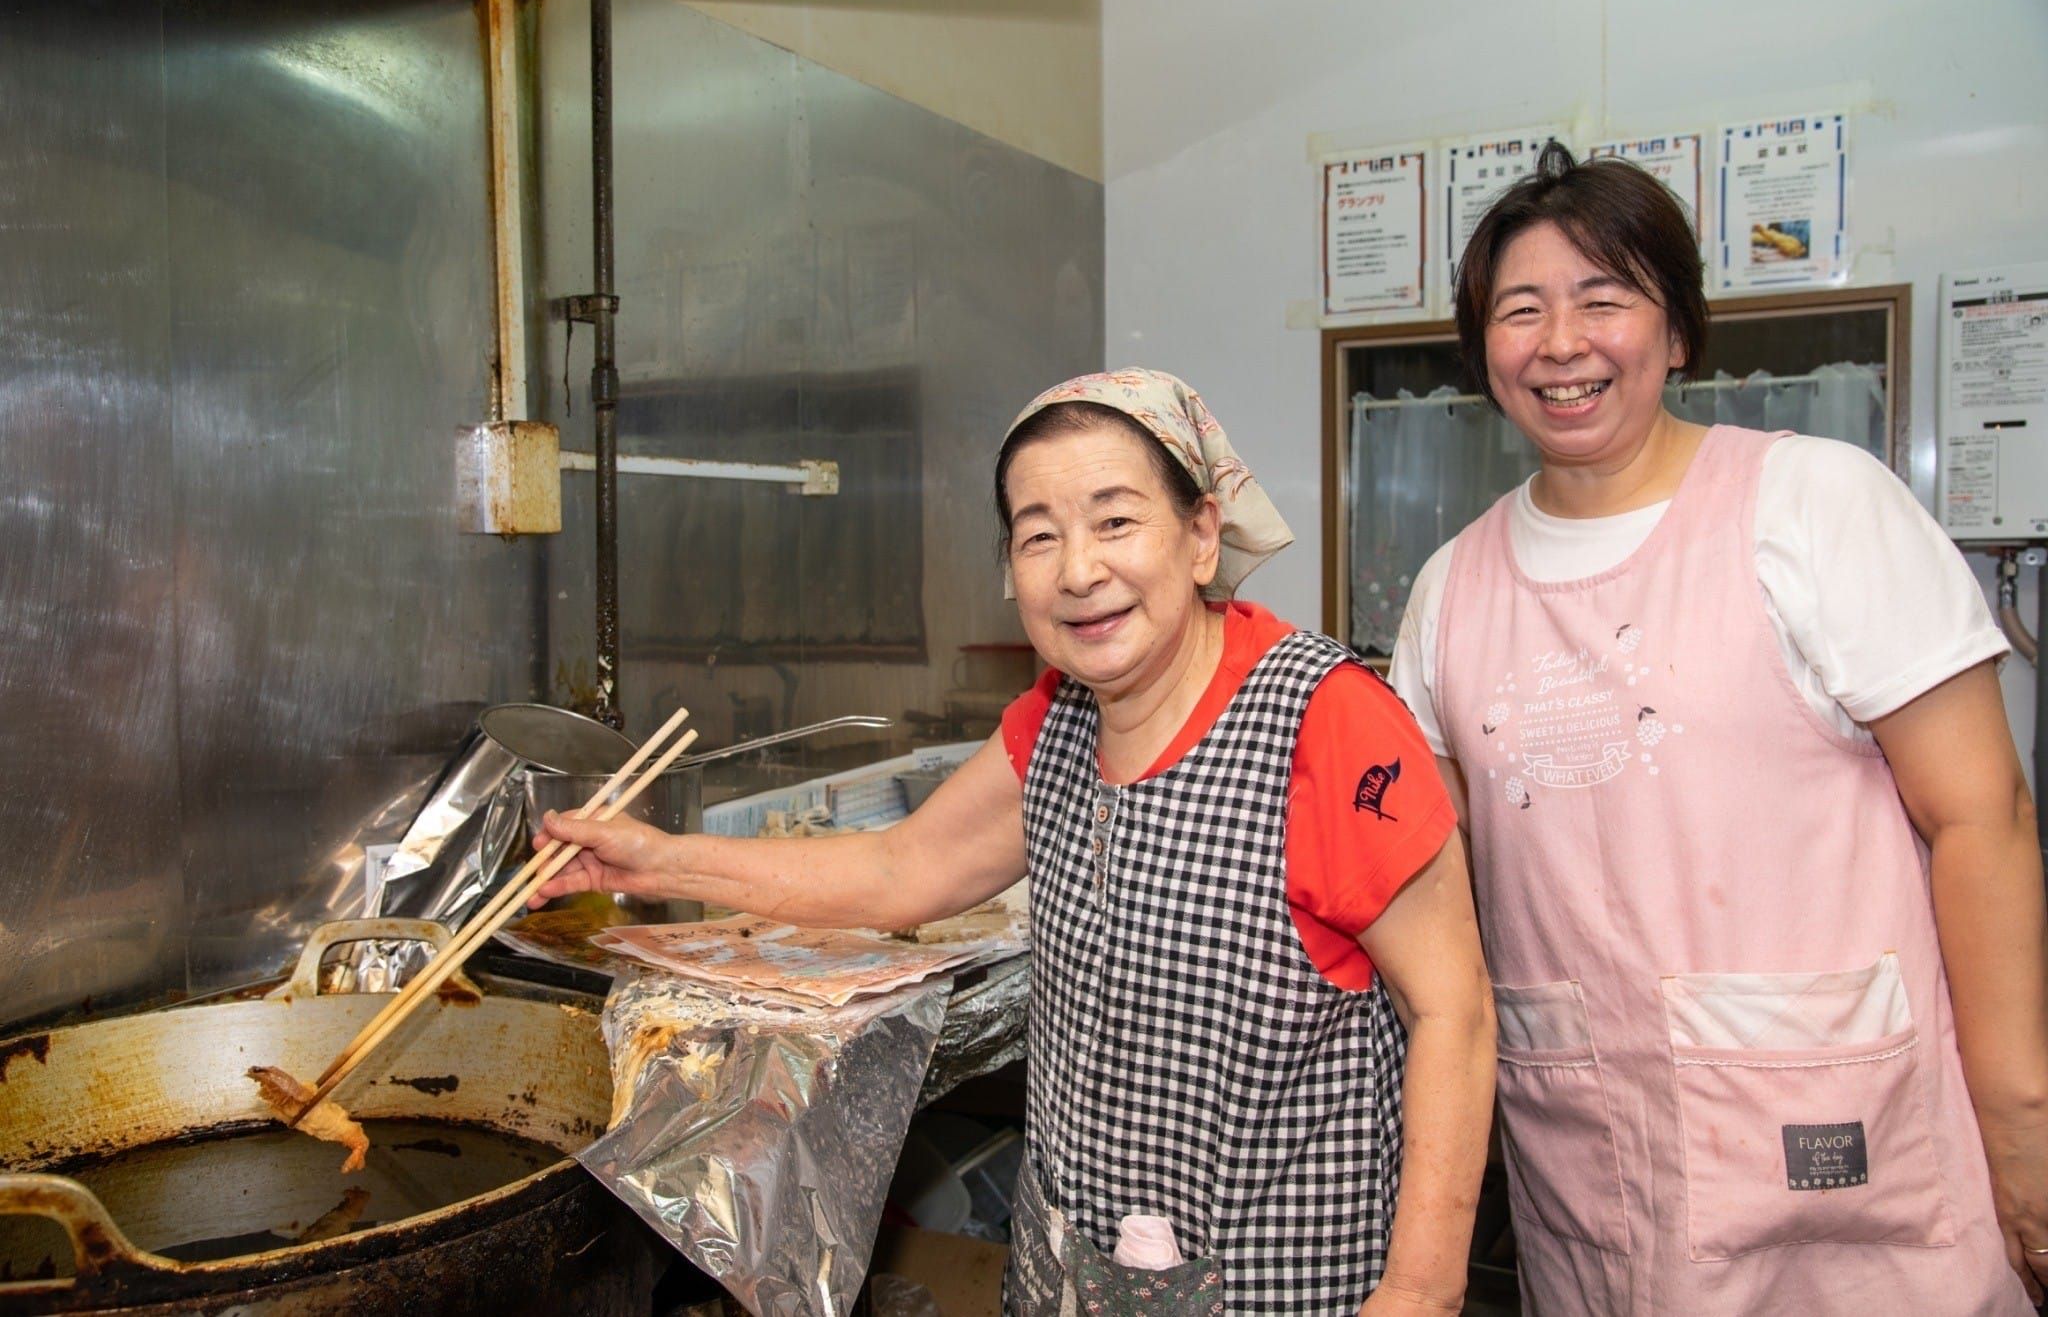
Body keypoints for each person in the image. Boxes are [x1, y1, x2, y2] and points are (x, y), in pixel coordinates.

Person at [534, 368, 1496, 1315]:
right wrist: (660, 858)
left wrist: (1420, 1290)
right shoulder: (1058, 719)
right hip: (1071, 1271)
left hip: (1281, 1283)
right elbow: (901, 867)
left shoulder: (1325, 722)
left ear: (1203, 533)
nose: (1078, 571)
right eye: (1040, 535)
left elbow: (1452, 1012)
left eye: (1115, 521)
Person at [1389, 142, 2048, 1315]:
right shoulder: (1451, 587)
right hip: (1583, 1157)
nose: (1560, 343)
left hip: (1844, 1152)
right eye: (1519, 310)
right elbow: (1430, 886)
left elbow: (1980, 818)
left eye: (1603, 298)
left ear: (1677, 330)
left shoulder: (1810, 505)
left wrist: (2023, 1122)